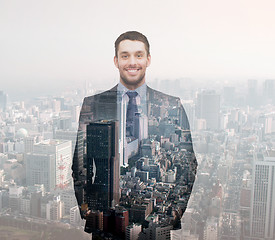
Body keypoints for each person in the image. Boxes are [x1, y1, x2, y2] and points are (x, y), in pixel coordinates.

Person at [72, 31, 197, 238]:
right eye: (125, 55)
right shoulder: (92, 103)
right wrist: (87, 211)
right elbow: (79, 164)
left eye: (138, 55)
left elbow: (190, 165)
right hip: (105, 228)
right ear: (116, 60)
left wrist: (171, 218)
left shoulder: (172, 103)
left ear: (148, 60)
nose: (132, 62)